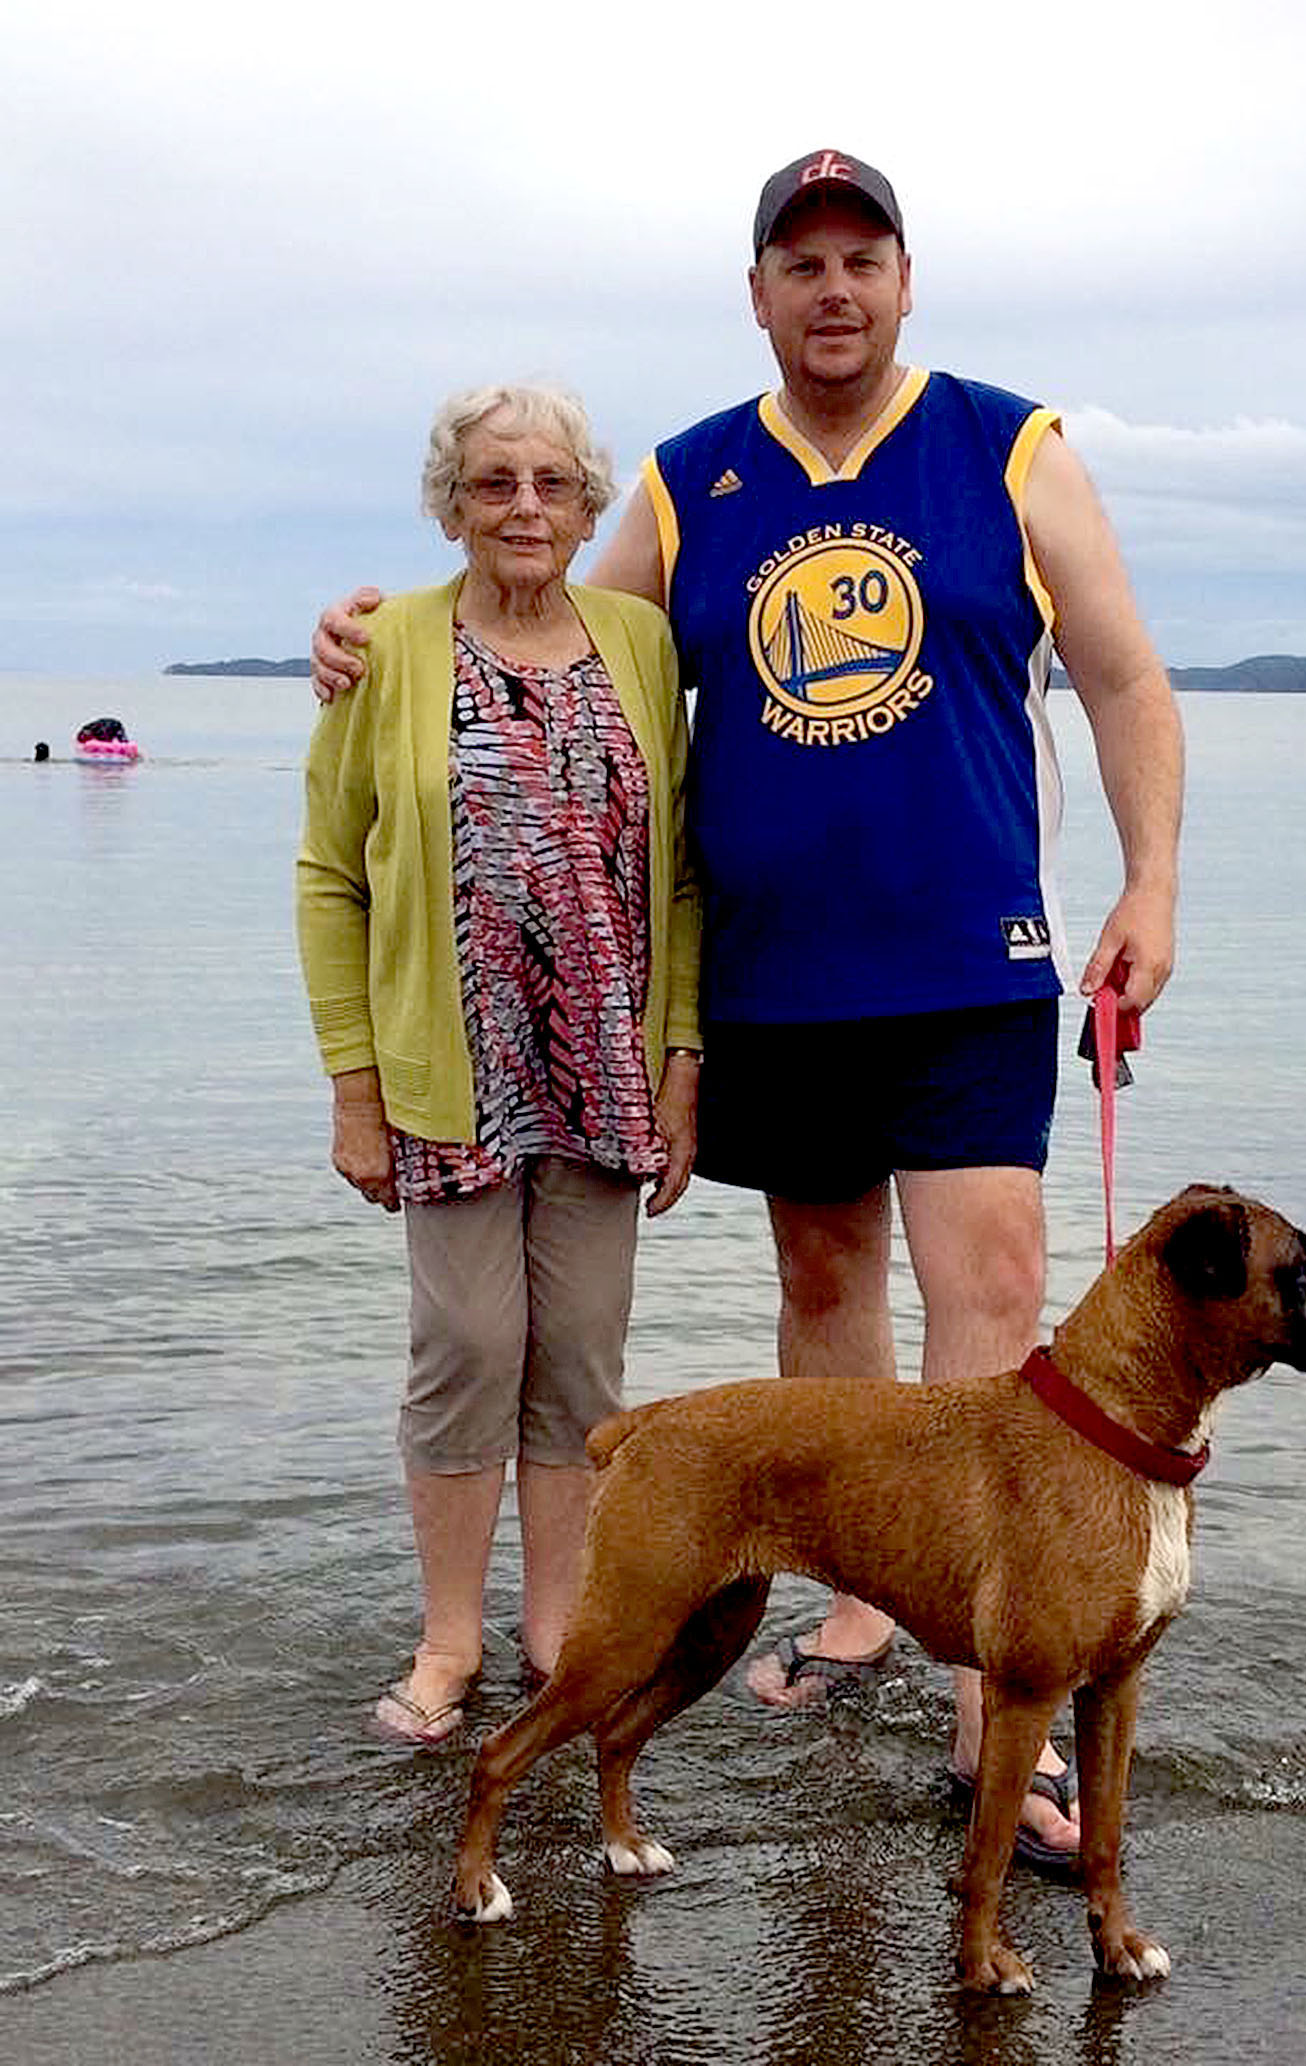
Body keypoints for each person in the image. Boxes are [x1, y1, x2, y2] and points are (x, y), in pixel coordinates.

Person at [311, 153, 1182, 1861]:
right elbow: (541, 609)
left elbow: (1124, 672)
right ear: (762, 293)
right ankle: (858, 1602)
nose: (835, 290)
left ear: (907, 281)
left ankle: (990, 1707)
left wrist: (1153, 882)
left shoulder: (1013, 445)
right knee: (823, 1281)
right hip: (779, 975)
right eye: (803, 265)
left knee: (995, 1295)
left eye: (865, 259)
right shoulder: (696, 477)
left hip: (970, 957)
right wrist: (372, 628)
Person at [296, 382, 702, 1744]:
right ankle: (451, 1637)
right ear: (450, 504)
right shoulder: (387, 647)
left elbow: (684, 871)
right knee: (467, 1343)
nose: (523, 505)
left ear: (592, 507)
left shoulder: (642, 641)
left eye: (551, 483)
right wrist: (353, 1084)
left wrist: (684, 1054)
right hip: (448, 1062)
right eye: (492, 482)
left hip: (605, 1061)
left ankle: (555, 1634)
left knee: (582, 1359)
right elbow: (327, 874)